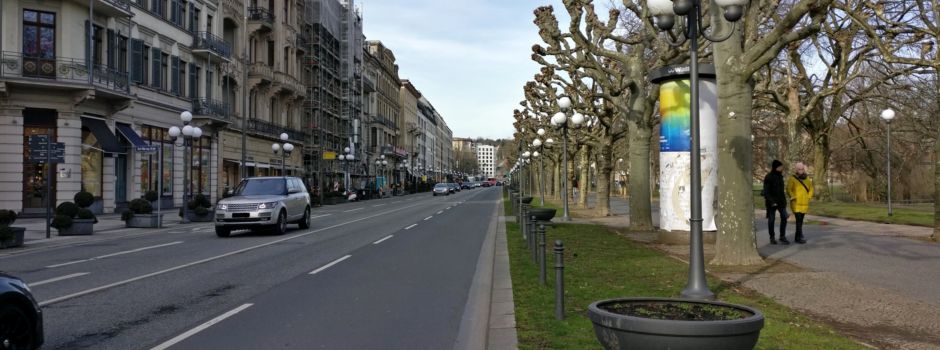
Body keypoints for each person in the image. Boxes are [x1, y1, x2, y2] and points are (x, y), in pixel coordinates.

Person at [763, 159, 789, 244]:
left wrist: (784, 202)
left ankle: (782, 236)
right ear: (776, 167)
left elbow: (781, 191)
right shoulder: (769, 177)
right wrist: (771, 201)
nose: (782, 168)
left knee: (784, 217)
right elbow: (766, 192)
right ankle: (772, 237)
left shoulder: (780, 177)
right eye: (780, 166)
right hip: (771, 203)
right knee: (771, 220)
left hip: (781, 202)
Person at [786, 162, 813, 244]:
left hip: (804, 204)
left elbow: (811, 189)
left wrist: (808, 197)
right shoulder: (792, 179)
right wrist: (792, 195)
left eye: (802, 169)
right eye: (799, 169)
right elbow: (788, 189)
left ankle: (798, 236)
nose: (801, 170)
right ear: (796, 170)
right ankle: (799, 237)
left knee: (800, 221)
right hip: (796, 203)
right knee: (798, 221)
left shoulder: (807, 179)